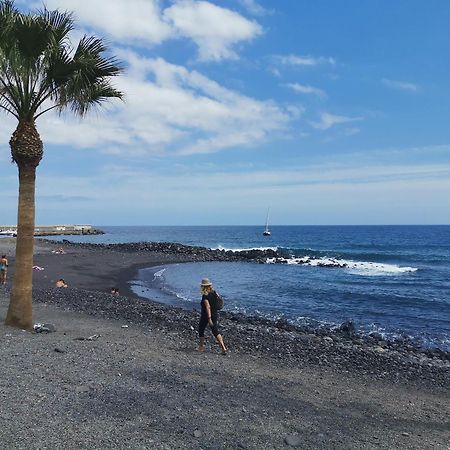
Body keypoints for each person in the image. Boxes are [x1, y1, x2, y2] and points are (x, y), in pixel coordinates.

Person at [198, 278, 227, 355]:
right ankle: (223, 348)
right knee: (215, 331)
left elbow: (208, 307)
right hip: (215, 314)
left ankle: (201, 347)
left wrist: (209, 318)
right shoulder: (214, 292)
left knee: (201, 330)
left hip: (206, 315)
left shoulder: (205, 295)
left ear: (203, 286)